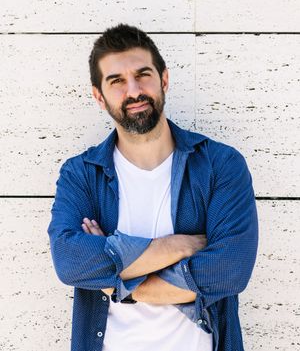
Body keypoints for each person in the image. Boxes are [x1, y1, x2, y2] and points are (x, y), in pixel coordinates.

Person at [47, 23, 258, 351]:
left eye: (143, 74)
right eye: (116, 81)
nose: (133, 91)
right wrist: (175, 246)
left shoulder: (220, 165)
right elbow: (70, 261)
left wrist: (115, 279)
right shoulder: (81, 174)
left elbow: (230, 271)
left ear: (164, 80)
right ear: (98, 96)